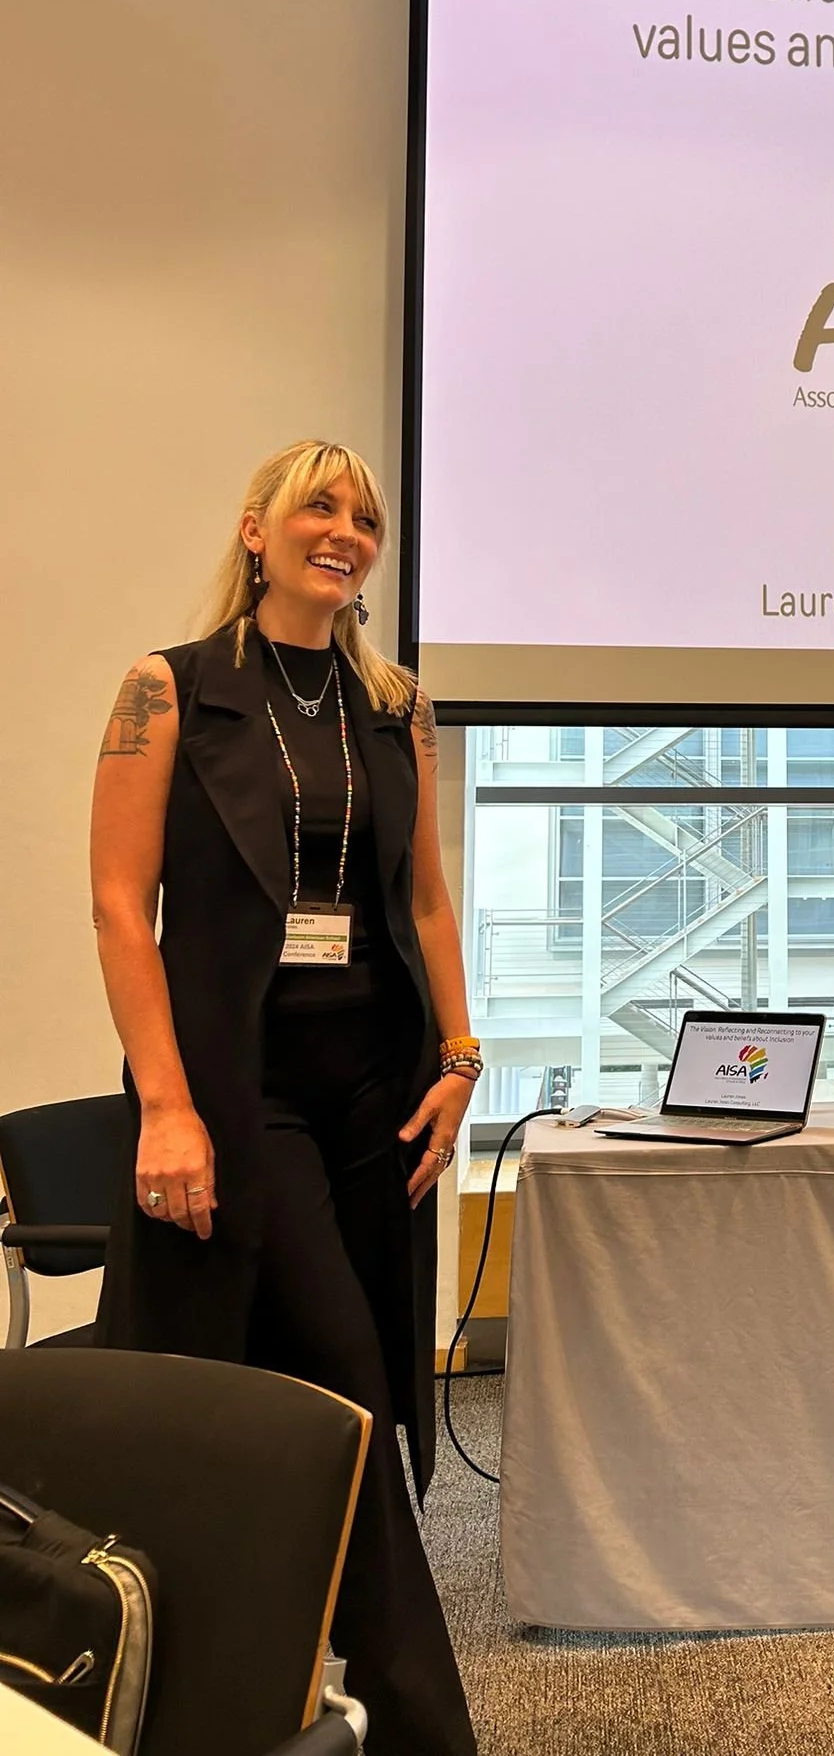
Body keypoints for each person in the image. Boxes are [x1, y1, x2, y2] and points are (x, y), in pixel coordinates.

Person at [91, 440, 479, 1756]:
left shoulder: (396, 708)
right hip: (237, 1086)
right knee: (347, 1389)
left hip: (375, 1087)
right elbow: (120, 906)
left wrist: (461, 1059)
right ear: (256, 531)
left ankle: (268, 1682)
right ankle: (422, 1725)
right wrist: (164, 1105)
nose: (345, 531)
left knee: (332, 1390)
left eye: (364, 516)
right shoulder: (171, 689)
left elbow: (426, 899)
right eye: (320, 505)